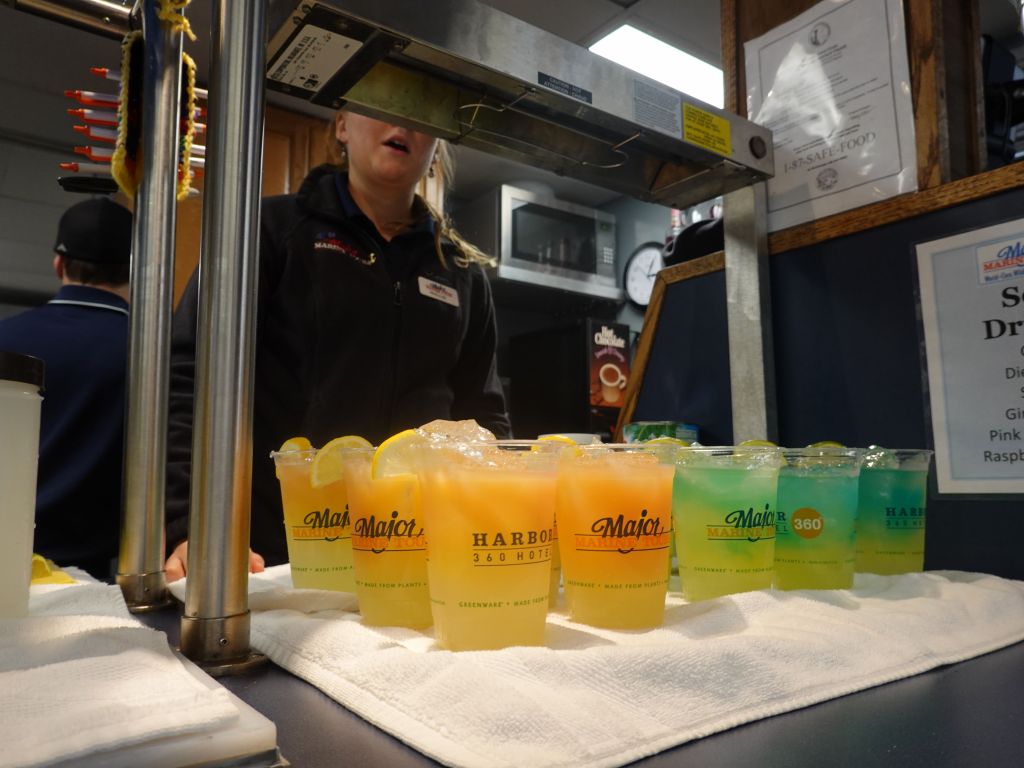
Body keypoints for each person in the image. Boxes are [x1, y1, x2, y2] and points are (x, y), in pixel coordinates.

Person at [164, 110, 511, 580]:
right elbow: (191, 377)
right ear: (342, 127)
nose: (402, 124)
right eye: (382, 106)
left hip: (420, 554)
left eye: (419, 113)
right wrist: (187, 523)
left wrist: (495, 519)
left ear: (436, 152)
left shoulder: (462, 272)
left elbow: (484, 417)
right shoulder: (267, 230)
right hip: (273, 555)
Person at [0, 197, 132, 579]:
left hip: (8, 561)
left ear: (59, 264)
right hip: (102, 579)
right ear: (135, 270)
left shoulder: (5, 338)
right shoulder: (154, 356)